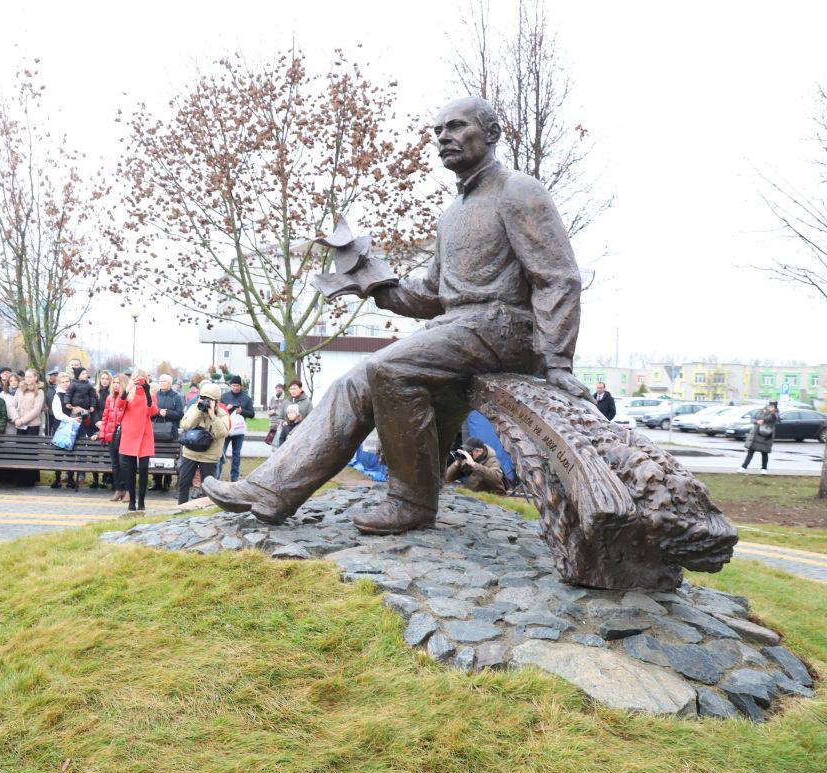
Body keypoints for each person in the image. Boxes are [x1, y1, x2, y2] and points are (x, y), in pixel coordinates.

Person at [202, 96, 586, 533]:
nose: (444, 137)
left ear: (492, 134)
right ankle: (273, 490)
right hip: (460, 329)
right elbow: (431, 295)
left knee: (388, 367)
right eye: (438, 131)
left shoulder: (519, 191)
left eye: (457, 127)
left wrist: (556, 360)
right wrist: (374, 283)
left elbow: (558, 278)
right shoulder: (451, 215)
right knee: (353, 382)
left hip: (507, 328)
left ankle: (412, 502)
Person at [176, 382, 230, 504]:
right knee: (184, 484)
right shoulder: (194, 409)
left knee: (208, 489)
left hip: (209, 456)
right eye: (202, 398)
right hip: (190, 453)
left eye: (208, 399)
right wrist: (199, 411)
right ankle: (180, 510)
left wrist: (213, 416)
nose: (204, 401)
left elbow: (222, 433)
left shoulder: (222, 414)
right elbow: (185, 425)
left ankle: (206, 515)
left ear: (216, 400)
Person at [118, 369, 158, 511]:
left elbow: (152, 412)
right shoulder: (128, 393)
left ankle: (141, 501)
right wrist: (128, 388)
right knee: (129, 470)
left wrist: (147, 392)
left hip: (145, 435)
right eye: (137, 379)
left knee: (143, 468)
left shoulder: (151, 393)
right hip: (129, 434)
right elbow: (119, 406)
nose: (140, 382)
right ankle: (132, 501)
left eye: (143, 379)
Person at [96, 374, 129, 501]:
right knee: (115, 464)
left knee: (124, 464)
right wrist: (103, 434)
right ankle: (118, 489)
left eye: (118, 383)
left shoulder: (127, 398)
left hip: (124, 434)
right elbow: (105, 417)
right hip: (111, 434)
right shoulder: (110, 398)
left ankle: (127, 490)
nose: (115, 385)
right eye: (114, 382)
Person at [150, 373, 184, 491]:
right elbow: (149, 411)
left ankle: (167, 483)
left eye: (163, 381)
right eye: (160, 381)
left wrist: (167, 413)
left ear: (169, 383)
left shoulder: (176, 397)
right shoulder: (155, 395)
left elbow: (180, 414)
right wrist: (158, 412)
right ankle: (156, 482)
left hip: (170, 433)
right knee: (156, 456)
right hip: (155, 431)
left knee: (168, 457)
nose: (161, 383)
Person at [218, 375, 254, 482]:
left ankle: (234, 477)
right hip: (226, 429)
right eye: (233, 385)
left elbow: (252, 414)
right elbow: (218, 411)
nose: (235, 387)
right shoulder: (224, 396)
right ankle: (217, 475)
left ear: (241, 386)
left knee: (236, 454)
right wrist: (226, 408)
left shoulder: (246, 398)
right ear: (230, 386)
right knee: (221, 452)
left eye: (237, 385)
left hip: (238, 431)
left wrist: (242, 411)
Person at [50, 372, 80, 490]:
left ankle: (70, 479)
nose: (65, 384)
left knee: (70, 454)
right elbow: (57, 414)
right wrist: (71, 420)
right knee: (58, 454)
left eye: (67, 381)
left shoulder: (74, 395)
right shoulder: (57, 396)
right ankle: (57, 479)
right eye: (62, 382)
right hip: (60, 427)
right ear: (59, 383)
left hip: (72, 428)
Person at [740, 401, 780, 475]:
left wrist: (766, 415)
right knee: (751, 452)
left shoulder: (775, 414)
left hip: (766, 436)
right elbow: (753, 419)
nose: (770, 407)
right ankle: (743, 467)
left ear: (775, 407)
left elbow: (771, 419)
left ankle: (764, 469)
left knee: (764, 453)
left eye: (772, 406)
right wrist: (757, 421)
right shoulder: (762, 411)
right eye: (769, 405)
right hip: (756, 435)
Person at [44, 366, 60, 435]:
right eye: (50, 376)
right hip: (49, 411)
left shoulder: (59, 387)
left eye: (54, 376)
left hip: (58, 412)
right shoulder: (46, 387)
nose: (51, 377)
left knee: (57, 428)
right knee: (48, 428)